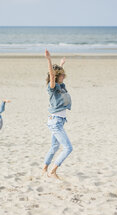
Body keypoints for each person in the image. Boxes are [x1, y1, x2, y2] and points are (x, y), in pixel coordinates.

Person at [43, 49, 73, 179]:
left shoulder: (61, 86)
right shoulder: (52, 87)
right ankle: (53, 171)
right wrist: (49, 60)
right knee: (68, 148)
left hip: (58, 121)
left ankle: (44, 168)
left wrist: (61, 64)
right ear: (55, 77)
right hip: (55, 122)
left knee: (55, 146)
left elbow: (57, 73)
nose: (63, 76)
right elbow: (52, 74)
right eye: (61, 75)